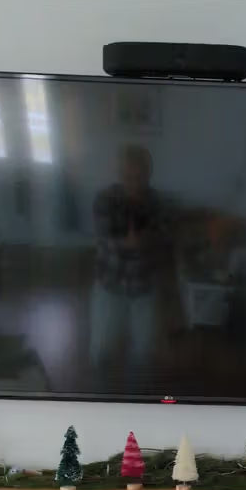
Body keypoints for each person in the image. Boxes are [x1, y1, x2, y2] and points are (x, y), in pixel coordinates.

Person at [90, 145, 172, 375]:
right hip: (109, 284)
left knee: (144, 352)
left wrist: (142, 241)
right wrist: (134, 242)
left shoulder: (159, 203)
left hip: (144, 287)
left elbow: (165, 238)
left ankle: (137, 399)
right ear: (119, 173)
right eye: (128, 177)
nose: (134, 183)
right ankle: (99, 399)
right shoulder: (104, 199)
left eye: (140, 177)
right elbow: (104, 236)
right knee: (101, 349)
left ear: (149, 174)